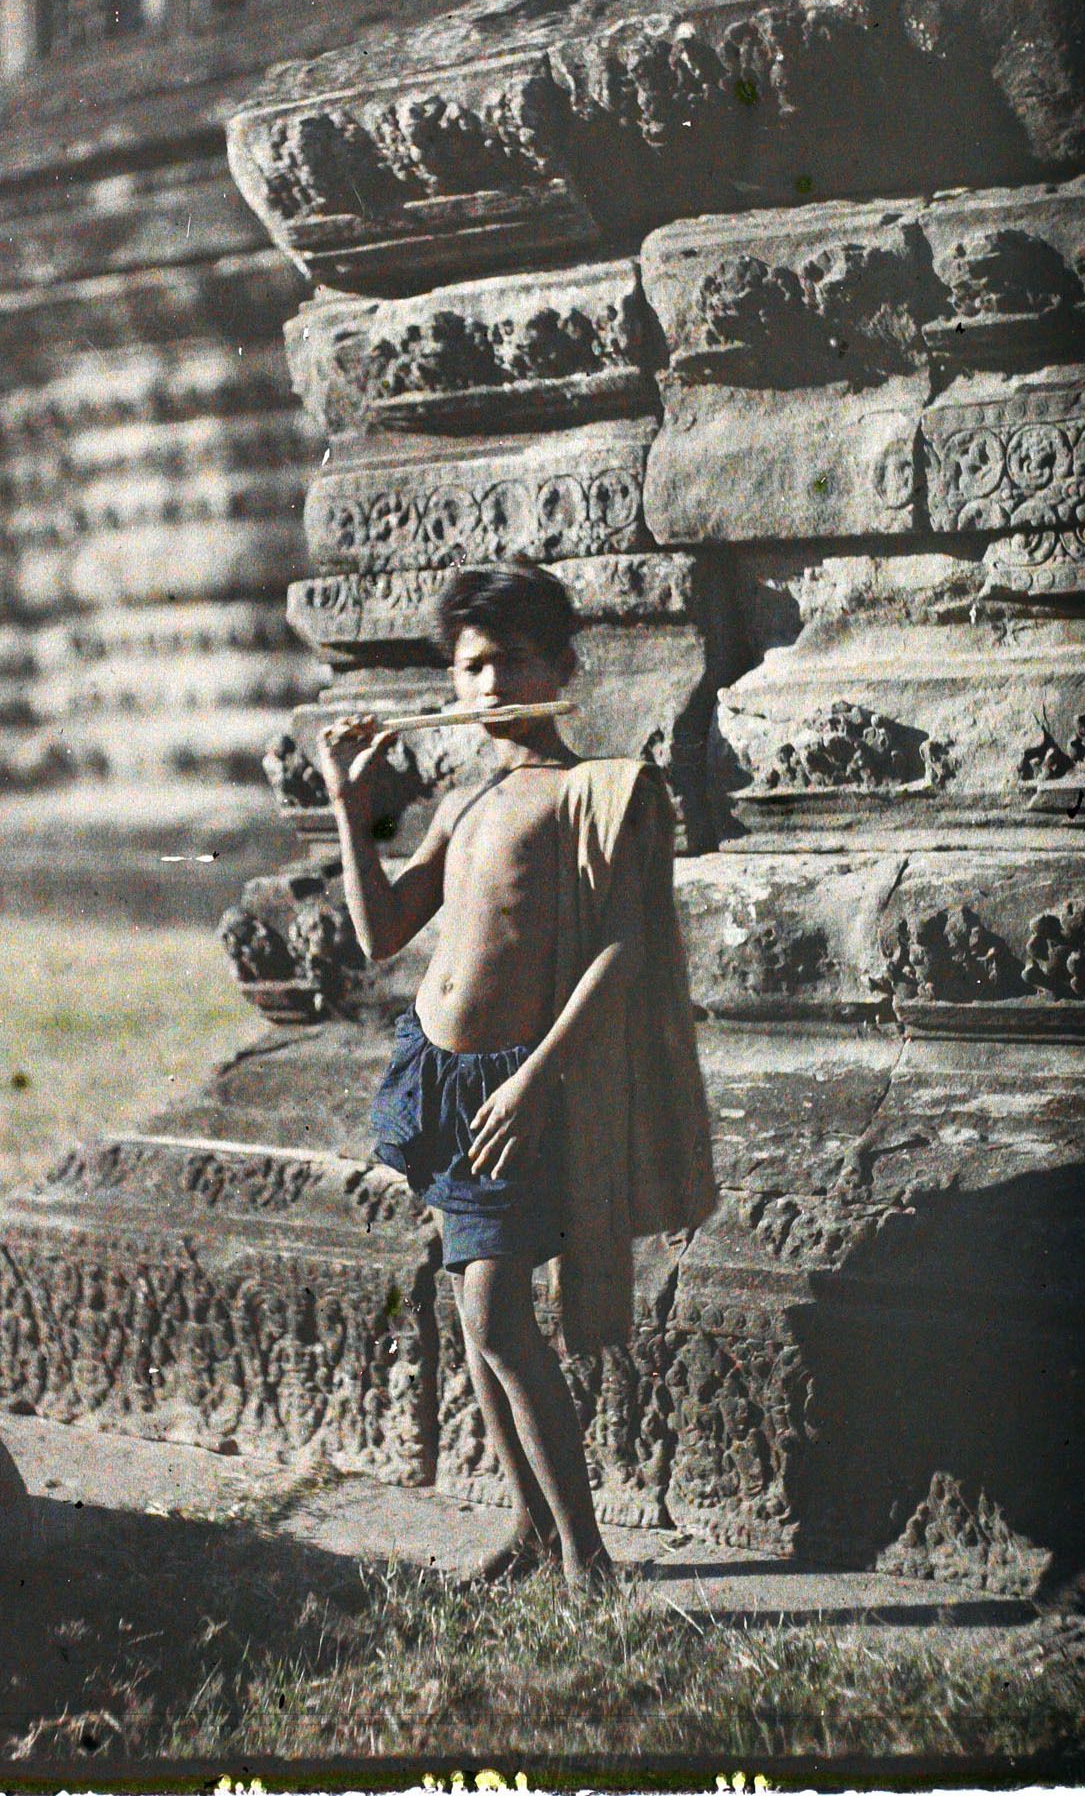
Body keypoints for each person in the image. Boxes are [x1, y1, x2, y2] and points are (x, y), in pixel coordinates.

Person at [316, 561, 716, 1593]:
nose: (488, 684)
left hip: (517, 1084)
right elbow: (377, 933)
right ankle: (535, 1530)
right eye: (470, 665)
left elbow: (624, 953)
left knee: (498, 1317)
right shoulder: (466, 799)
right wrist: (349, 809)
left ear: (561, 666)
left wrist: (537, 1079)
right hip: (438, 1078)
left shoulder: (597, 794)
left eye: (509, 661)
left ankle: (589, 1560)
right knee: (469, 1314)